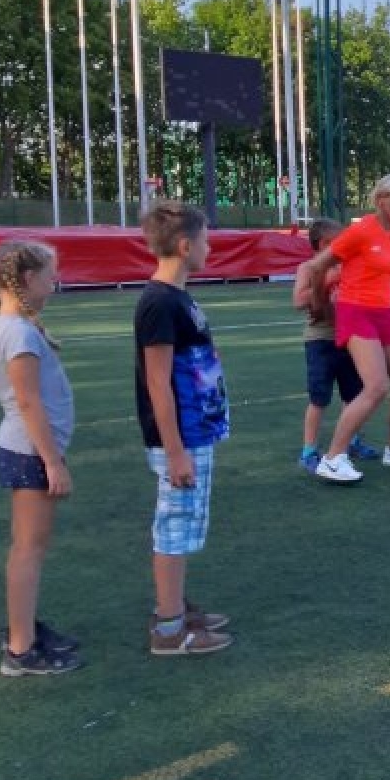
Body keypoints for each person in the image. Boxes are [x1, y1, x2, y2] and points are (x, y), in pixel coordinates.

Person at [134, 201, 233, 656]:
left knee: (185, 523)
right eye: (206, 240)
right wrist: (175, 451)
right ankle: (169, 628)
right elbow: (157, 380)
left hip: (197, 430)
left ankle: (174, 605)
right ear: (185, 244)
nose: (210, 248)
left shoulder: (178, 297)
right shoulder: (158, 301)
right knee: (174, 525)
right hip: (181, 437)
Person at [0, 241, 82, 677]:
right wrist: (53, 461)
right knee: (29, 549)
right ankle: (21, 649)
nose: (55, 280)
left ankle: (22, 628)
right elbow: (28, 402)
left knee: (28, 548)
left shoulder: (16, 324)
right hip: (29, 450)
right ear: (28, 279)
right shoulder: (19, 331)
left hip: (27, 448)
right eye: (49, 273)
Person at [306, 173, 390, 482]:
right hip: (355, 310)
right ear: (380, 200)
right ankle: (333, 458)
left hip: (386, 311)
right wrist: (320, 304)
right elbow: (316, 265)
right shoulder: (360, 231)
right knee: (375, 386)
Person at [293, 219, 381, 472]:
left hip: (351, 338)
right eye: (340, 241)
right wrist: (325, 284)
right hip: (320, 339)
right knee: (319, 398)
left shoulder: (348, 265)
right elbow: (298, 301)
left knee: (353, 394)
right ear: (324, 244)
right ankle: (309, 450)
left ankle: (350, 440)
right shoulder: (309, 268)